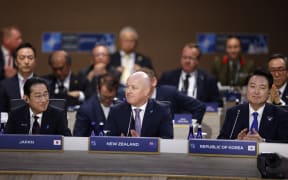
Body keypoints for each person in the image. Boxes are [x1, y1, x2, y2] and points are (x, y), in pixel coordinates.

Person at [218, 69, 288, 142]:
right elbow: (221, 141)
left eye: (262, 87)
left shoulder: (281, 115)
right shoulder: (234, 113)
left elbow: (285, 144)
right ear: (246, 89)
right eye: (252, 86)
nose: (256, 92)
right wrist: (237, 141)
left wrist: (263, 142)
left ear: (269, 92)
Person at [107, 71, 173, 138]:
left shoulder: (161, 110)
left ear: (146, 91)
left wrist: (141, 143)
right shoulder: (116, 111)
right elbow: (108, 141)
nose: (128, 91)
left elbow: (167, 140)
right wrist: (120, 142)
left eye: (134, 87)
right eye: (127, 87)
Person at [4, 77, 71, 136]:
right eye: (38, 96)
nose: (44, 100)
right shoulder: (15, 115)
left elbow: (68, 141)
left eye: (45, 94)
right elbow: (6, 141)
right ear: (26, 98)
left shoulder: (58, 116)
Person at [139, 67, 206, 124]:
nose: (139, 86)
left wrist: (190, 128)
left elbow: (199, 107)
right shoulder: (132, 98)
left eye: (143, 82)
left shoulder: (170, 93)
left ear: (153, 81)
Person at [0, 42, 36, 112]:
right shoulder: (4, 85)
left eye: (30, 58)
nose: (26, 61)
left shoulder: (45, 84)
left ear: (35, 61)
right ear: (16, 62)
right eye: (22, 58)